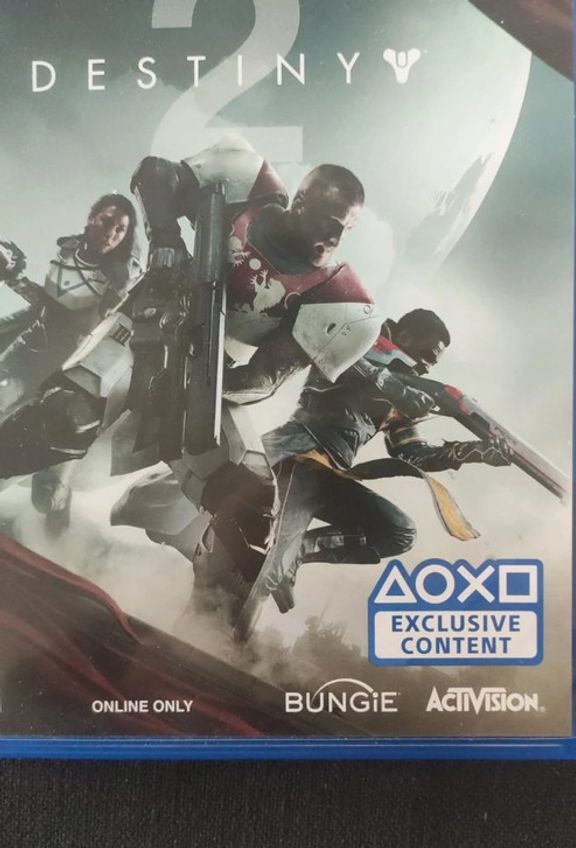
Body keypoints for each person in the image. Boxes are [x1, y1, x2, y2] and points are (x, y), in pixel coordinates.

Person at [0, 134, 430, 595]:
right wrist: (166, 238)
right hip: (149, 329)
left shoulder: (336, 295)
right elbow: (155, 173)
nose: (335, 238)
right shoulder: (249, 184)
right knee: (66, 415)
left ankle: (207, 618)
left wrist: (200, 386)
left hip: (214, 375)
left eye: (345, 229)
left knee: (250, 503)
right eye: (328, 223)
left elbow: (267, 375)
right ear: (300, 202)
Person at [257, 308, 512, 614]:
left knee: (400, 532)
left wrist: (474, 452)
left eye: (433, 362)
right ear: (404, 336)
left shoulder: (402, 393)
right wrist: (396, 388)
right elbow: (344, 359)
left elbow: (412, 453)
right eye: (425, 355)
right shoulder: (360, 341)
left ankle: (300, 551)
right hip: (296, 458)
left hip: (330, 477)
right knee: (270, 568)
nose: (426, 367)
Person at [0, 193, 141, 533]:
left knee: (47, 493)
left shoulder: (120, 278)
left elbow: (99, 326)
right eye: (106, 221)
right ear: (91, 217)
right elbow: (48, 305)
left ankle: (58, 516)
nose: (110, 233)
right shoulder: (67, 250)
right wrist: (12, 275)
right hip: (30, 356)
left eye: (120, 230)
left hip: (70, 376)